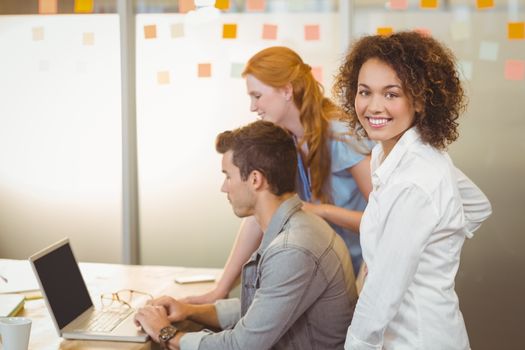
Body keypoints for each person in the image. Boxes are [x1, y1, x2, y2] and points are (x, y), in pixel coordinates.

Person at [134, 120, 358, 350]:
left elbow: (241, 345)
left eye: (228, 176)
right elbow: (261, 310)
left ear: (254, 179)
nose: (224, 187)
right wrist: (191, 310)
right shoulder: (304, 225)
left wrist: (166, 333)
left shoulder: (291, 250)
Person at [332, 31, 492, 349]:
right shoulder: (394, 153)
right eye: (365, 92)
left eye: (391, 94)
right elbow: (478, 205)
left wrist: (432, 254)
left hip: (416, 339)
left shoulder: (413, 180)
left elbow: (382, 292)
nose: (374, 106)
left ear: (419, 99)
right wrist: (437, 246)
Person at [186, 46, 373, 304]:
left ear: (286, 91)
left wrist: (321, 210)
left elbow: (385, 219)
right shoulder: (283, 140)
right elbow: (260, 213)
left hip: (363, 274)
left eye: (257, 95)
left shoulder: (341, 135)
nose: (252, 107)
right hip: (323, 269)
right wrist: (220, 289)